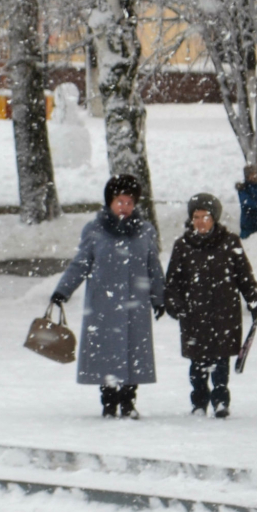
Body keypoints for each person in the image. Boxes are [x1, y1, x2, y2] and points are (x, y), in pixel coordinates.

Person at [50, 173, 164, 418]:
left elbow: (153, 267)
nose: (125, 207)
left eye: (129, 202)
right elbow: (80, 264)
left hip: (136, 306)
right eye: (120, 201)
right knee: (106, 355)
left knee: (134, 355)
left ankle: (129, 402)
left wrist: (160, 297)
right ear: (110, 203)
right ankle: (109, 403)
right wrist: (62, 291)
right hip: (104, 306)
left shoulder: (145, 231)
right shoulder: (94, 230)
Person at [163, 193, 257, 419]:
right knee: (197, 363)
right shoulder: (183, 246)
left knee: (220, 362)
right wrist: (174, 304)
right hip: (193, 315)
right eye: (196, 217)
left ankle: (220, 400)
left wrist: (253, 299)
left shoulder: (230, 243)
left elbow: (244, 276)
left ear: (214, 218)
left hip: (224, 314)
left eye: (205, 216)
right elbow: (173, 282)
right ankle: (199, 402)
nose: (200, 222)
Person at [235, 165, 257, 239]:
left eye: (254, 173)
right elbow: (247, 202)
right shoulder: (243, 189)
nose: (254, 176)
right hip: (247, 223)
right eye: (251, 174)